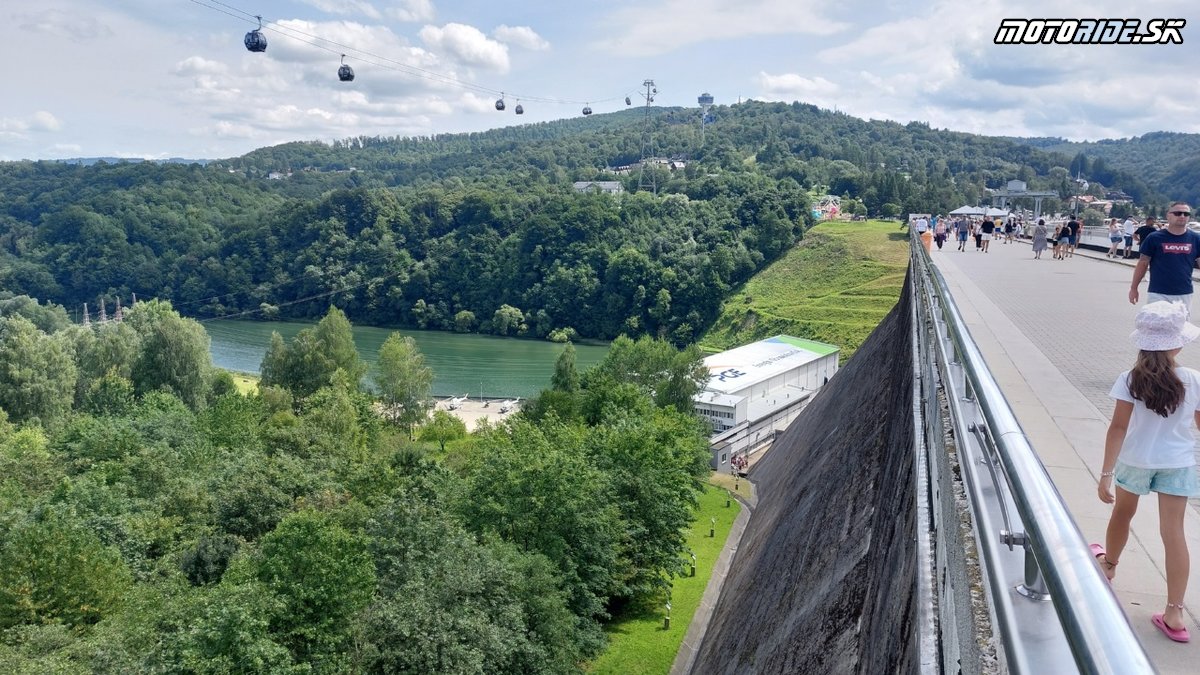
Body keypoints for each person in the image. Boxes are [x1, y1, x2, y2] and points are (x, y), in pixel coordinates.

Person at [1093, 301, 1200, 643]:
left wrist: (1106, 472)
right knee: (1174, 533)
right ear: (1178, 344)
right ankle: (1174, 611)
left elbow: (1117, 428)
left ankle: (1109, 565)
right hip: (1177, 462)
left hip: (1136, 460)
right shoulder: (1194, 380)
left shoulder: (1129, 379)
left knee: (1123, 514)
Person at [1129, 202, 1200, 312]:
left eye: (1186, 214)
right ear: (1168, 215)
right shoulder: (1154, 238)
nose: (1182, 216)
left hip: (1184, 293)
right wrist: (1134, 288)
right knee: (1156, 326)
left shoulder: (1196, 238)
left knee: (1180, 327)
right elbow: (1143, 263)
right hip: (1158, 293)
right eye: (1177, 213)